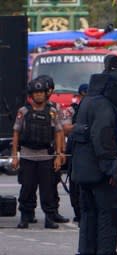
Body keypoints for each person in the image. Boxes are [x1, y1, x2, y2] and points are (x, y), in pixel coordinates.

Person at [71, 54, 117, 255]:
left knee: (89, 211)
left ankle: (88, 253)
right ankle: (107, 254)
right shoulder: (105, 107)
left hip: (82, 169)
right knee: (109, 209)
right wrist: (112, 169)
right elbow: (103, 139)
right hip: (98, 169)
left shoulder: (88, 101)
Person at [11, 78, 64, 229]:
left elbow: (58, 133)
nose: (39, 95)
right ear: (31, 95)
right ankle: (25, 216)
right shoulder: (23, 112)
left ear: (45, 94)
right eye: (36, 93)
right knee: (27, 188)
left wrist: (59, 155)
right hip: (28, 156)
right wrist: (15, 156)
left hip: (46, 156)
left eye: (41, 92)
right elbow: (16, 133)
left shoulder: (52, 112)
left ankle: (49, 217)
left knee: (47, 190)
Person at [35, 75, 70, 224]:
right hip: (32, 151)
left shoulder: (55, 108)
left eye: (47, 90)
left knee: (51, 184)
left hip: (50, 151)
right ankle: (27, 213)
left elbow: (61, 131)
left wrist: (60, 151)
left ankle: (52, 212)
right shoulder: (30, 108)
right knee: (28, 185)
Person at [63, 83, 89, 222]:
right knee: (74, 184)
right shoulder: (71, 110)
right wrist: (80, 127)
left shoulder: (94, 110)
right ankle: (78, 213)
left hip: (88, 153)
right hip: (74, 152)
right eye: (83, 95)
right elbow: (65, 128)